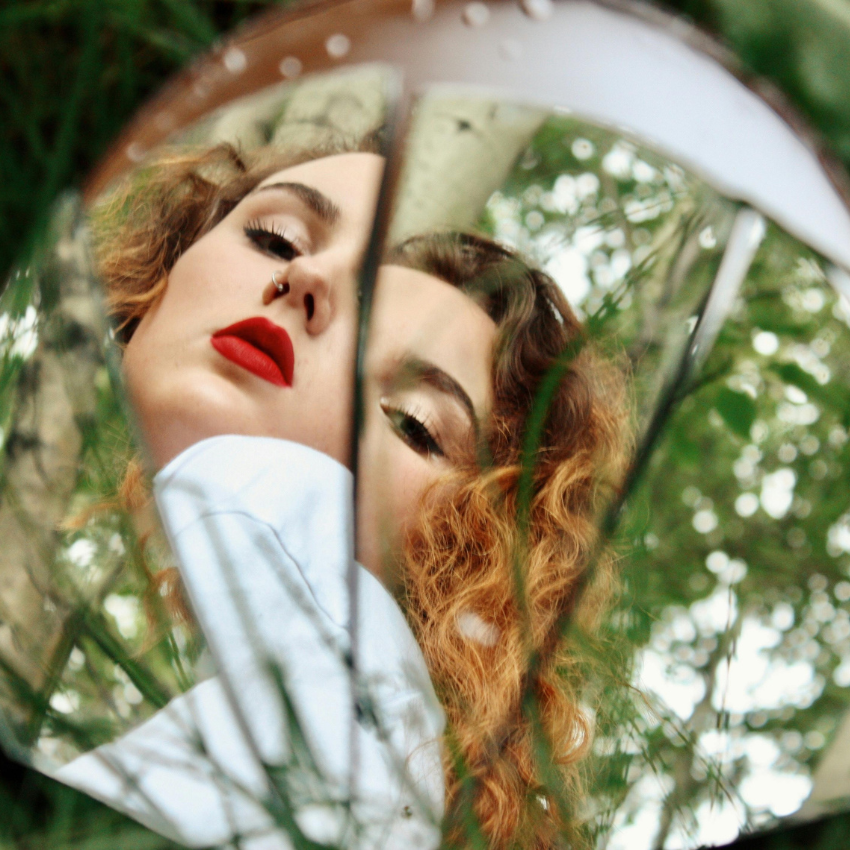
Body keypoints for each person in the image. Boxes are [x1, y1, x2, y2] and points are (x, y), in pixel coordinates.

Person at [57, 140, 628, 850]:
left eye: (414, 425)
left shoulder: (347, 735)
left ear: (471, 551)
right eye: (275, 238)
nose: (307, 277)